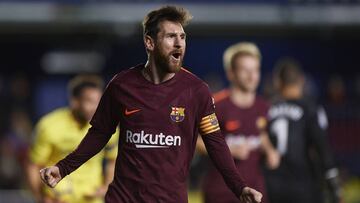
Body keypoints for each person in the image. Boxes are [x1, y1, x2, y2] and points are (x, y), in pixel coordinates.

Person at [38, 6, 262, 203]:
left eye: (182, 37)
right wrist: (63, 168)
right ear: (149, 42)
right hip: (123, 198)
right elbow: (99, 134)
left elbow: (215, 143)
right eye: (171, 36)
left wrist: (239, 187)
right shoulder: (122, 85)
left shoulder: (196, 91)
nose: (179, 43)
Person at [197, 42, 280, 203]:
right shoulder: (216, 105)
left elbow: (260, 134)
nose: (252, 76)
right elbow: (195, 141)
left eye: (255, 70)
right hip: (221, 192)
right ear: (231, 73)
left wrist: (270, 151)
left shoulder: (264, 107)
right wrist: (227, 149)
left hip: (256, 192)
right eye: (245, 70)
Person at [26, 75, 118, 203]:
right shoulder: (49, 126)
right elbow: (34, 166)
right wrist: (41, 198)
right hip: (58, 199)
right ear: (74, 101)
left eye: (98, 101)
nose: (95, 107)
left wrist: (106, 186)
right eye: (89, 101)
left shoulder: (106, 126)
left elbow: (112, 160)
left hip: (92, 199)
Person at [265, 58, 341, 203]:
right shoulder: (311, 109)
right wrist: (333, 185)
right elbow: (322, 147)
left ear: (278, 82)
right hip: (304, 184)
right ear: (302, 80)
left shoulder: (267, 109)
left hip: (273, 186)